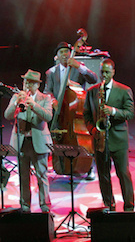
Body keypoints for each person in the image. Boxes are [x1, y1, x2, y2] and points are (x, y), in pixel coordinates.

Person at [83, 59, 135, 211]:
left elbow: (130, 113)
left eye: (107, 72)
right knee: (103, 176)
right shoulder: (92, 91)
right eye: (102, 72)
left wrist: (112, 111)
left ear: (113, 72)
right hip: (99, 140)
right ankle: (109, 206)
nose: (104, 75)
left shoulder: (124, 90)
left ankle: (129, 207)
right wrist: (93, 130)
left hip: (118, 139)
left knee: (123, 174)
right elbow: (86, 114)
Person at [45, 41, 98, 180]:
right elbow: (47, 91)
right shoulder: (51, 72)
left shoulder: (78, 67)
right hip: (60, 113)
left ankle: (88, 168)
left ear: (70, 53)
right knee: (59, 138)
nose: (64, 54)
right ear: (56, 56)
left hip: (77, 111)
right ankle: (64, 167)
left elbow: (93, 79)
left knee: (84, 139)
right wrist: (53, 100)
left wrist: (80, 67)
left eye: (66, 52)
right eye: (61, 52)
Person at [4, 69, 54, 213]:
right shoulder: (16, 97)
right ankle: (25, 204)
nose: (27, 85)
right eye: (25, 81)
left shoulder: (45, 98)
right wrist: (16, 104)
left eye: (31, 83)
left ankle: (45, 204)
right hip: (22, 141)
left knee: (42, 175)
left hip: (38, 141)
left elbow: (48, 117)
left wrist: (33, 104)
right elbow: (7, 115)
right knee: (23, 176)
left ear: (37, 85)